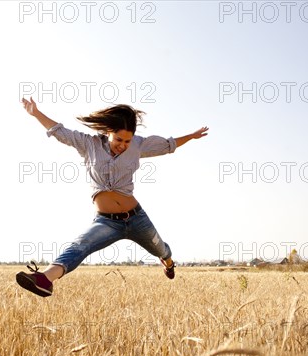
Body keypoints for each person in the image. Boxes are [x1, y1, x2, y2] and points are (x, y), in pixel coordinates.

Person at [16, 98, 208, 297]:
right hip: (106, 222)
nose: (123, 145)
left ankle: (168, 263)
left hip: (136, 218)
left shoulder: (139, 145)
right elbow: (59, 131)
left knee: (161, 249)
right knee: (80, 245)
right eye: (118, 139)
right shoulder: (88, 144)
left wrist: (191, 136)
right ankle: (45, 279)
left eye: (127, 141)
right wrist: (36, 113)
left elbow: (169, 145)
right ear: (108, 132)